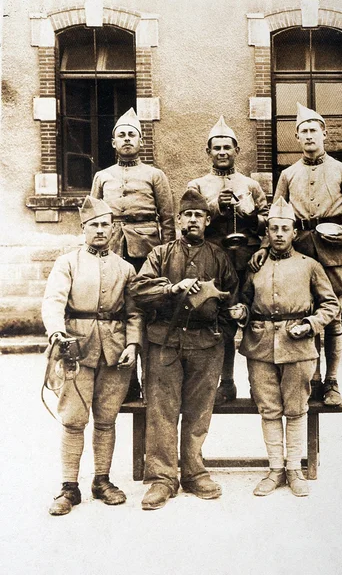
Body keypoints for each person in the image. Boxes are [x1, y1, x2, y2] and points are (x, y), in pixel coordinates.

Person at [251, 103, 342, 405]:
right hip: (300, 250)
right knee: (305, 314)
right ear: (296, 137)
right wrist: (266, 248)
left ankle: (332, 381)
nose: (308, 136)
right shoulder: (288, 175)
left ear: (324, 134)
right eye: (303, 131)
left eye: (313, 130)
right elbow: (275, 215)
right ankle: (312, 376)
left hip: (333, 252)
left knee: (332, 317)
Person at [130, 189, 239, 510]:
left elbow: (231, 300)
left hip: (206, 344)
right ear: (178, 220)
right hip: (164, 342)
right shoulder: (160, 254)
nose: (192, 221)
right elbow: (138, 288)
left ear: (207, 221)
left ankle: (193, 471)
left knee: (199, 410)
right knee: (162, 410)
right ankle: (162, 478)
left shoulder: (219, 257)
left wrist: (225, 322)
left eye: (198, 216)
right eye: (186, 215)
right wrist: (170, 287)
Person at [41, 196, 143, 516]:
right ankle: (69, 486)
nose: (100, 230)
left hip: (114, 351)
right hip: (76, 348)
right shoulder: (67, 263)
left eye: (105, 224)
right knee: (73, 419)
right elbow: (53, 302)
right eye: (94, 225)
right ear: (83, 228)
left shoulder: (126, 268)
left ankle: (102, 480)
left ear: (113, 229)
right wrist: (57, 332)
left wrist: (132, 344)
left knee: (106, 418)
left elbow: (135, 312)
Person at [233, 197, 339, 497]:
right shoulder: (255, 266)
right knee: (268, 409)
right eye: (273, 229)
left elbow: (330, 305)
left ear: (294, 233)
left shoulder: (310, 266)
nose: (278, 234)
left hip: (298, 346)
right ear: (266, 232)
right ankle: (275, 469)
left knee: (295, 409)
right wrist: (241, 311)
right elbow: (244, 299)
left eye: (285, 229)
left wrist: (310, 324)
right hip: (260, 344)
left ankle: (294, 468)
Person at [91, 107, 176, 400]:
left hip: (147, 249)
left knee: (149, 311)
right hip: (113, 248)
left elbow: (167, 218)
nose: (127, 139)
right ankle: (129, 382)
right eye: (121, 135)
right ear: (113, 143)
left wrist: (166, 256)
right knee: (120, 309)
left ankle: (150, 379)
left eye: (132, 135)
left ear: (140, 142)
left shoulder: (155, 175)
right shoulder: (103, 176)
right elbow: (93, 217)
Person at [188, 116, 268, 404]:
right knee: (219, 323)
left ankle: (260, 385)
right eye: (216, 148)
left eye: (227, 147)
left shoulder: (251, 184)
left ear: (237, 150)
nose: (222, 152)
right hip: (214, 263)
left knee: (254, 319)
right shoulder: (197, 184)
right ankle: (226, 382)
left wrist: (250, 215)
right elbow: (189, 222)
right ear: (207, 152)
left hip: (248, 261)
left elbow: (268, 223)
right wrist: (214, 207)